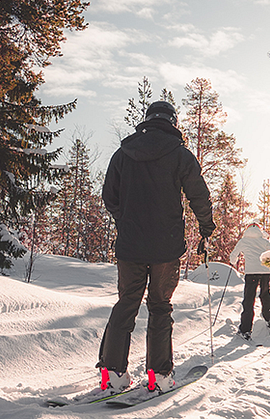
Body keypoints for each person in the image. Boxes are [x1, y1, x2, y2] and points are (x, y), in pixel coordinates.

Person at [98, 101, 215, 395]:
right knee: (160, 307)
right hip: (166, 248)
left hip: (130, 246)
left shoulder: (123, 153)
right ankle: (158, 376)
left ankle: (111, 373)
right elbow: (198, 195)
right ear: (172, 122)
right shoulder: (180, 155)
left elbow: (109, 195)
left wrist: (125, 219)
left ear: (146, 120)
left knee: (126, 304)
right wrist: (206, 228)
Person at [229, 222, 270, 341]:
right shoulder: (264, 241)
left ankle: (245, 329)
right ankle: (269, 318)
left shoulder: (243, 241)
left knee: (249, 298)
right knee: (265, 293)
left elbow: (233, 256)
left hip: (251, 273)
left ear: (247, 230)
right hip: (266, 272)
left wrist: (233, 261)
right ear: (260, 230)